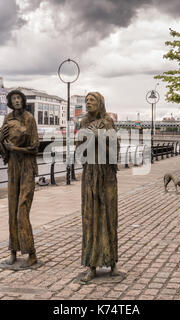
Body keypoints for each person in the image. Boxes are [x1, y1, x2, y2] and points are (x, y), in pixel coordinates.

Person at [78, 92, 120, 282]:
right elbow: (80, 153)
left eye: (92, 100)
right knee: (90, 217)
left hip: (107, 175)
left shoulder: (108, 122)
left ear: (100, 103)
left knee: (109, 216)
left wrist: (99, 137)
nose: (88, 103)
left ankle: (112, 263)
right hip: (90, 174)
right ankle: (91, 265)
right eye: (86, 101)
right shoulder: (83, 123)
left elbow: (115, 149)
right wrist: (89, 140)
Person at [0, 89, 39, 267]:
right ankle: (13, 251)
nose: (16, 101)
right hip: (13, 167)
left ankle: (31, 254)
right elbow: (4, 144)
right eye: (13, 98)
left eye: (18, 98)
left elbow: (35, 147)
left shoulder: (29, 118)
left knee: (22, 210)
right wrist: (1, 140)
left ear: (23, 100)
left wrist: (16, 149)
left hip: (27, 167)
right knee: (12, 209)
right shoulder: (7, 119)